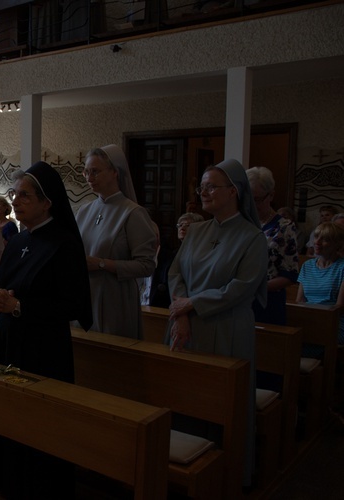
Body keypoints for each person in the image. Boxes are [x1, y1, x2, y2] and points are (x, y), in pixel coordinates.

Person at [0, 161, 92, 498]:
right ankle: (5, 476)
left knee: (37, 421)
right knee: (6, 413)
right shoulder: (19, 240)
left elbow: (72, 305)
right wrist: (0, 299)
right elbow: (10, 284)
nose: (16, 200)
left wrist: (20, 307)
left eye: (25, 195)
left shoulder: (64, 244)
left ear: (47, 202)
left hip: (44, 348)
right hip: (9, 340)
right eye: (14, 194)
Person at [165, 159, 267, 487]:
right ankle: (184, 476)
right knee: (184, 398)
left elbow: (243, 286)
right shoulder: (195, 231)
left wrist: (193, 303)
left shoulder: (252, 237)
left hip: (227, 329)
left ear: (234, 192)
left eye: (211, 187)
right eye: (202, 187)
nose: (203, 193)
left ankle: (226, 476)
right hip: (187, 328)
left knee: (223, 405)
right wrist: (181, 313)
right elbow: (175, 272)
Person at [75, 144, 157, 338]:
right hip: (84, 295)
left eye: (95, 171)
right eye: (86, 172)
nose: (89, 178)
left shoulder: (133, 213)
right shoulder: (84, 211)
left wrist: (103, 264)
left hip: (115, 299)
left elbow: (146, 265)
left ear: (115, 172)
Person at [246, 166, 299, 325]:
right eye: (248, 198)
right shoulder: (241, 223)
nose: (252, 204)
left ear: (271, 195)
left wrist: (255, 289)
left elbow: (289, 275)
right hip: (238, 301)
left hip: (267, 303)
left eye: (257, 199)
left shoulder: (283, 228)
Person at [296, 222, 344, 347]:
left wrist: (317, 320)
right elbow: (300, 300)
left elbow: (340, 306)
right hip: (309, 320)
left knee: (305, 342)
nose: (317, 242)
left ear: (337, 244)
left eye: (325, 239)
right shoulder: (307, 266)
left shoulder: (342, 267)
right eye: (316, 237)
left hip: (334, 322)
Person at [150, 212, 204, 307]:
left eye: (188, 225)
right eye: (180, 225)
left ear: (199, 229)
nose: (182, 228)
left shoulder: (202, 254)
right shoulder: (172, 254)